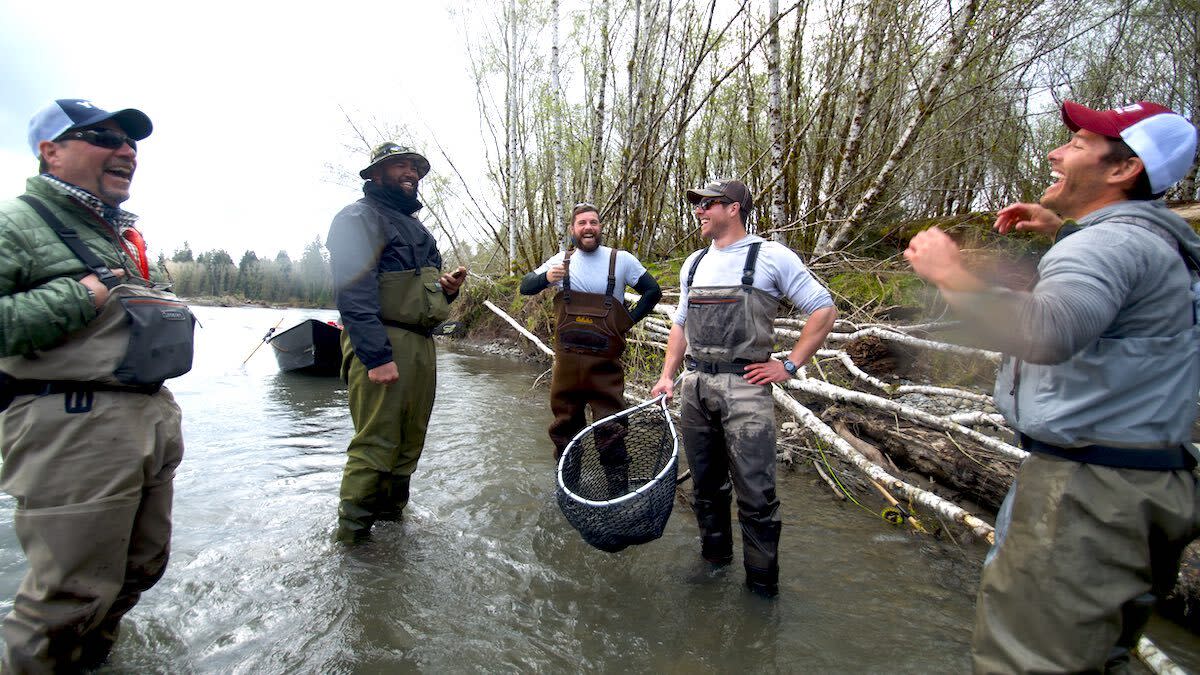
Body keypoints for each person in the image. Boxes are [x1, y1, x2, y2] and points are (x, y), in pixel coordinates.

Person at [904, 101, 1200, 672]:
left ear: (1122, 170)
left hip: (1087, 493)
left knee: (1029, 662)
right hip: (1144, 481)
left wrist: (947, 271)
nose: (1055, 152)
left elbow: (1045, 332)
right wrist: (1065, 229)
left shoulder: (1109, 246)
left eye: (1079, 144)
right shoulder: (1155, 242)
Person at [0, 99, 194, 670]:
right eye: (101, 138)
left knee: (140, 568)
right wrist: (79, 295)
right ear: (50, 152)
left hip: (146, 419)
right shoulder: (18, 223)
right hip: (72, 424)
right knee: (65, 601)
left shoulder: (118, 234)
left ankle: (90, 662)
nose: (125, 151)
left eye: (129, 142)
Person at [650, 180, 837, 597]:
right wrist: (668, 375)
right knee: (706, 487)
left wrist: (788, 364)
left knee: (755, 492)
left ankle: (761, 586)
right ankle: (714, 564)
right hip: (695, 386)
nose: (698, 211)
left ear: (733, 208)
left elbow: (824, 309)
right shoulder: (693, 263)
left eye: (706, 204)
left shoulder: (771, 256)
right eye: (697, 205)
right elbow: (680, 324)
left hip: (747, 388)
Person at [327, 142, 467, 544]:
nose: (411, 173)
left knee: (410, 442)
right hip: (382, 341)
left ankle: (390, 528)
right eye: (400, 165)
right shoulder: (357, 217)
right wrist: (376, 356)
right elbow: (353, 292)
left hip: (421, 344)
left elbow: (421, 294)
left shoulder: (418, 228)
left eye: (415, 168)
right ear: (375, 174)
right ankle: (351, 542)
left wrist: (448, 292)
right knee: (376, 444)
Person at [519, 202, 662, 458]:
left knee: (612, 433)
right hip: (566, 369)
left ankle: (616, 492)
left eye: (593, 222)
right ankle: (568, 492)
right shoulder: (560, 261)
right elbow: (525, 287)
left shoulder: (622, 260)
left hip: (605, 368)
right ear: (573, 229)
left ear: (600, 227)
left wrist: (626, 321)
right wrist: (547, 278)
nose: (588, 228)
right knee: (565, 434)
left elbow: (653, 292)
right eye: (582, 223)